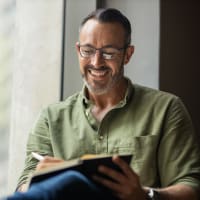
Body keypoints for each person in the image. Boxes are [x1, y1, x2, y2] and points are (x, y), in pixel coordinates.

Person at [15, 8, 200, 199]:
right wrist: (41, 180)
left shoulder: (166, 109)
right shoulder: (50, 118)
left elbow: (191, 187)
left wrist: (146, 195)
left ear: (127, 54)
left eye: (109, 53)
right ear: (78, 51)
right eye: (87, 51)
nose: (96, 62)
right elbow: (23, 185)